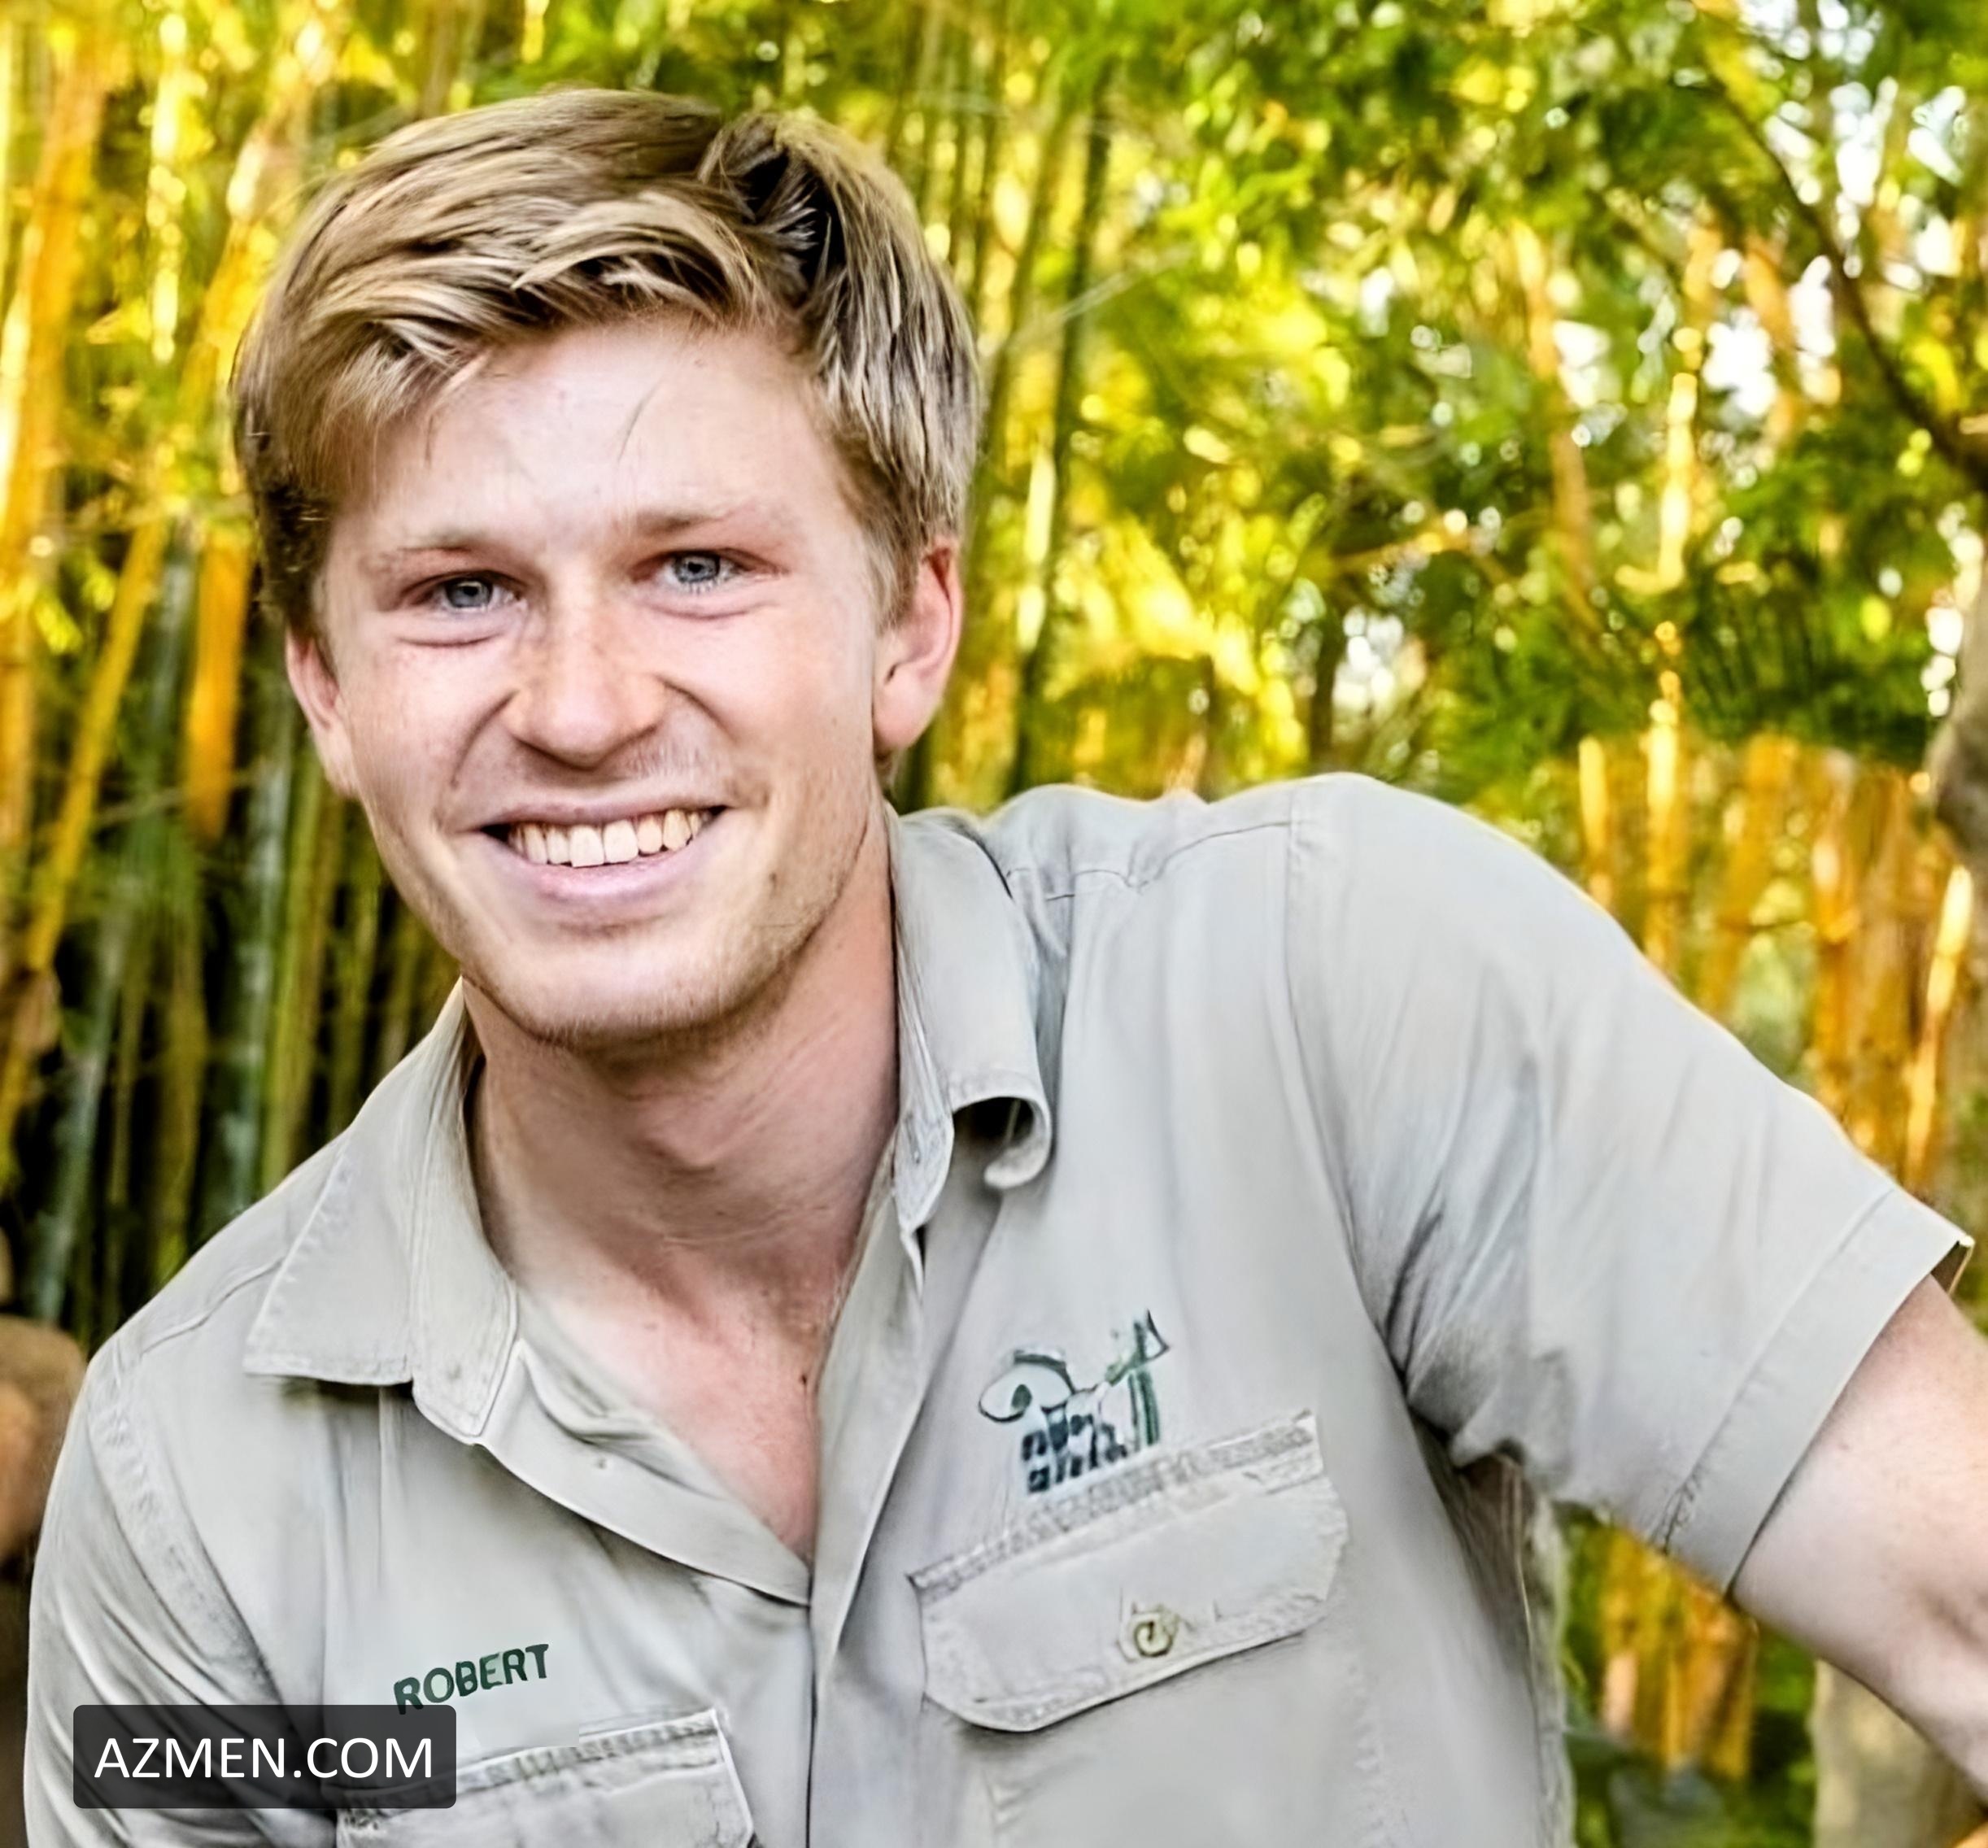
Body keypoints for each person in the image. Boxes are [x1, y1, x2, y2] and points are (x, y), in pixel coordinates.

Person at [23, 85, 1988, 1848]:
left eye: (698, 566)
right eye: (462, 592)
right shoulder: (197, 1486)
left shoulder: (1331, 995)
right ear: (323, 684)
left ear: (912, 622)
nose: (585, 704)